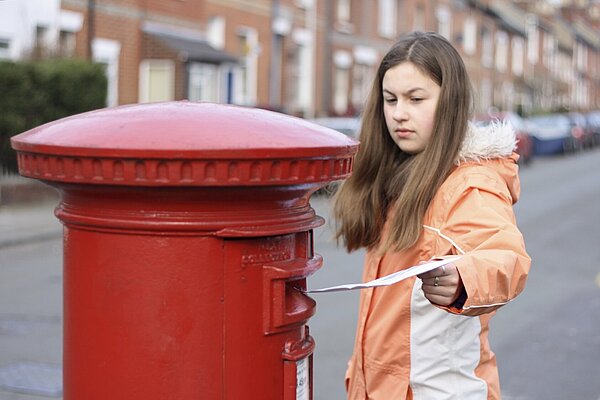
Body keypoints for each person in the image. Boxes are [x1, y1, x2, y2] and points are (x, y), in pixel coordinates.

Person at [332, 31, 531, 399]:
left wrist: (464, 278)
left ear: (450, 103)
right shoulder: (395, 178)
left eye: (416, 99)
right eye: (390, 100)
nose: (398, 114)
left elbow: (506, 258)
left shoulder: (468, 182)